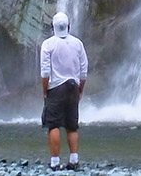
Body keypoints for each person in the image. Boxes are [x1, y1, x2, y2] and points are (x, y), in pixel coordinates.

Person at [40, 12, 88, 171]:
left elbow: (45, 72)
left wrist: (45, 90)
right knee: (72, 125)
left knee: (53, 125)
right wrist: (80, 89)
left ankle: (54, 162)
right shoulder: (78, 43)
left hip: (56, 87)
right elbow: (83, 70)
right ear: (69, 26)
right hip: (73, 86)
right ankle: (74, 160)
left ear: (53, 27)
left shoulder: (48, 44)